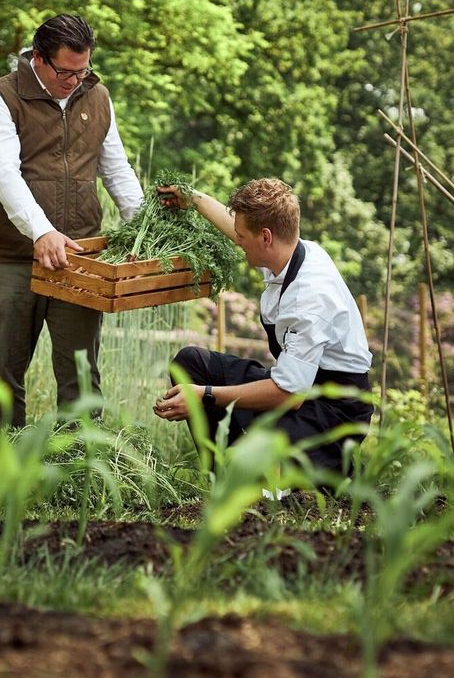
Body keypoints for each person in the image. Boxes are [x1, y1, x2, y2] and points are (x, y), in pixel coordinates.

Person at [0, 14, 143, 434]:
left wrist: (144, 229)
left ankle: (80, 475)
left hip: (82, 260)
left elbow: (116, 169)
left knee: (81, 376)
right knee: (4, 373)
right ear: (39, 58)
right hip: (13, 259)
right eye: (65, 71)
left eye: (82, 70)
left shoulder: (98, 96)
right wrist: (41, 231)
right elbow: (3, 174)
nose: (74, 80)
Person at [152, 179, 373, 473]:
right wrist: (192, 198)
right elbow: (241, 228)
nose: (237, 240)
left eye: (242, 236)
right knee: (191, 363)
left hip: (331, 414)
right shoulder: (289, 250)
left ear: (266, 237)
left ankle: (328, 467)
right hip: (300, 386)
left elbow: (288, 395)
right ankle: (225, 478)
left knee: (261, 455)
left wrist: (205, 394)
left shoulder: (310, 296)